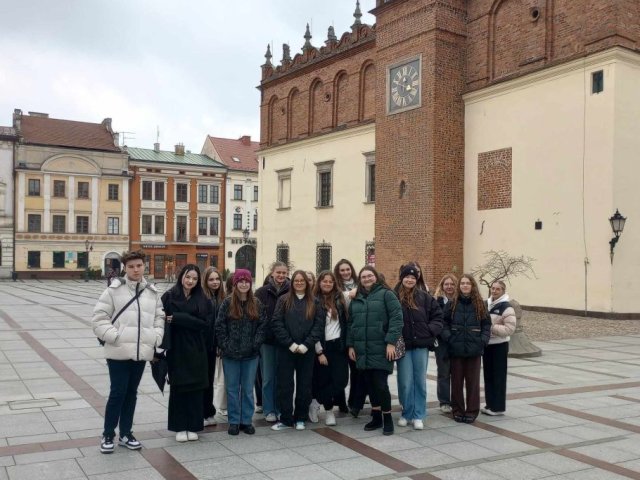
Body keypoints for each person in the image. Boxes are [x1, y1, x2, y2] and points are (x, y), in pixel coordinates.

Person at [92, 250, 164, 454]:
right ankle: (107, 434)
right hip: (118, 351)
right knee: (117, 393)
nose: (135, 269)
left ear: (144, 266)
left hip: (141, 352)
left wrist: (155, 337)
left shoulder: (151, 291)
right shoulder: (113, 291)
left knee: (131, 393)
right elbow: (98, 318)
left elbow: (160, 316)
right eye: (131, 266)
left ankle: (125, 433)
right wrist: (115, 337)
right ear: (125, 268)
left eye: (139, 265)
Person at [347, 266, 403, 435]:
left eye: (370, 276)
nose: (367, 279)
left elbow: (397, 319)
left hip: (381, 348)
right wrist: (350, 345)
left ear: (376, 277)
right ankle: (376, 416)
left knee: (380, 385)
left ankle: (387, 419)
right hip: (362, 349)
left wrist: (391, 342)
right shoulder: (356, 298)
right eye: (363, 277)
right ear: (360, 280)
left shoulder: (387, 294)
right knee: (370, 385)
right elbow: (351, 324)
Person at [162, 264, 212, 442]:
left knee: (196, 389)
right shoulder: (169, 296)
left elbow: (205, 324)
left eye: (194, 278)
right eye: (187, 277)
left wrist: (178, 318)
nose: (190, 281)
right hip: (176, 348)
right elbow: (161, 320)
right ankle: (179, 426)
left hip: (197, 349)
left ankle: (193, 425)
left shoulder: (203, 299)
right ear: (181, 276)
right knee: (178, 388)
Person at [215, 269, 267, 435]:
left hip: (250, 354)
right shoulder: (227, 303)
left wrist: (256, 344)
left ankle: (246, 420)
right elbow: (220, 326)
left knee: (246, 388)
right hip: (230, 354)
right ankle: (234, 421)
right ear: (235, 284)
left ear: (250, 284)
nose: (244, 284)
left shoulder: (256, 303)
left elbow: (262, 326)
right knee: (231, 388)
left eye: (246, 281)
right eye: (240, 281)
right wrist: (225, 345)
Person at [271, 270, 324, 431]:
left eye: (302, 281)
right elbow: (276, 323)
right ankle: (286, 419)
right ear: (292, 283)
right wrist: (290, 344)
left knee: (304, 385)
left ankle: (300, 417)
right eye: (296, 280)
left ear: (307, 283)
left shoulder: (314, 302)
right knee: (285, 385)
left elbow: (318, 326)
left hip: (306, 351)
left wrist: (306, 344)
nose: (299, 283)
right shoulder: (283, 300)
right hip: (287, 350)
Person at [395, 265, 443, 430]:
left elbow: (438, 316)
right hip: (402, 344)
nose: (410, 280)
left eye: (413, 278)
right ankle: (406, 412)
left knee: (420, 381)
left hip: (421, 344)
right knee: (405, 381)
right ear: (402, 278)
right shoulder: (394, 296)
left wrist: (430, 331)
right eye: (407, 277)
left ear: (417, 280)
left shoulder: (425, 297)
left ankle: (418, 414)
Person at [441, 274, 491, 424]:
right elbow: (444, 324)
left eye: (467, 283)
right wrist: (449, 338)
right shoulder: (451, 304)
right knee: (456, 382)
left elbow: (486, 325)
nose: (464, 286)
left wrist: (482, 340)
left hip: (474, 349)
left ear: (472, 286)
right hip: (456, 349)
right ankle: (457, 410)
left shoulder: (480, 304)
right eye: (462, 283)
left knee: (473, 382)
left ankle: (471, 411)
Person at [311, 271, 349, 426]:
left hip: (339, 346)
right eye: (324, 281)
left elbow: (346, 323)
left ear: (334, 284)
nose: (327, 284)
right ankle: (328, 412)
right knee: (325, 380)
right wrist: (319, 351)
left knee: (341, 380)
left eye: (330, 282)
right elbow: (312, 329)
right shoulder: (313, 301)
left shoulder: (340, 300)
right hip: (322, 348)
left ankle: (315, 400)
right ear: (319, 283)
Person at [255, 261, 290, 422]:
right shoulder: (261, 292)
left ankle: (282, 407)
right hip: (268, 341)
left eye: (284, 272)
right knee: (268, 377)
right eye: (278, 272)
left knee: (283, 377)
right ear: (272, 273)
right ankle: (269, 409)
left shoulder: (291, 290)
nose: (281, 275)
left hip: (286, 340)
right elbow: (257, 317)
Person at [482, 280, 517, 416]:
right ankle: (490, 404)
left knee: (498, 377)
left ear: (503, 291)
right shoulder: (487, 303)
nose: (494, 291)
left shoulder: (506, 307)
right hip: (487, 345)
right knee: (488, 376)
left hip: (499, 346)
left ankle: (498, 407)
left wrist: (490, 327)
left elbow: (510, 329)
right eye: (493, 288)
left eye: (498, 289)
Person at [333, 258, 362, 416]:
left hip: (355, 332)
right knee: (340, 371)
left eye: (347, 269)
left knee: (356, 370)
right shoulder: (335, 288)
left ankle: (354, 402)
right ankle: (341, 401)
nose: (345, 272)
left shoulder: (360, 286)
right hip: (339, 333)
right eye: (342, 270)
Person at [201, 267, 225, 426]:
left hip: (215, 345)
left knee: (210, 380)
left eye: (217, 279)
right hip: (202, 346)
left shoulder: (223, 299)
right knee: (203, 380)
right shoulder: (202, 298)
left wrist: (220, 344)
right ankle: (203, 411)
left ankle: (209, 412)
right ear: (205, 281)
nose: (215, 282)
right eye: (211, 279)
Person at [433, 274, 458, 414]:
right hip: (442, 342)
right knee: (443, 372)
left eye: (452, 284)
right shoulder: (437, 301)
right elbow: (437, 320)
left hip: (457, 341)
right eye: (446, 284)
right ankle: (444, 401)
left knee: (457, 372)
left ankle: (456, 400)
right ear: (442, 286)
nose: (449, 287)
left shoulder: (460, 300)